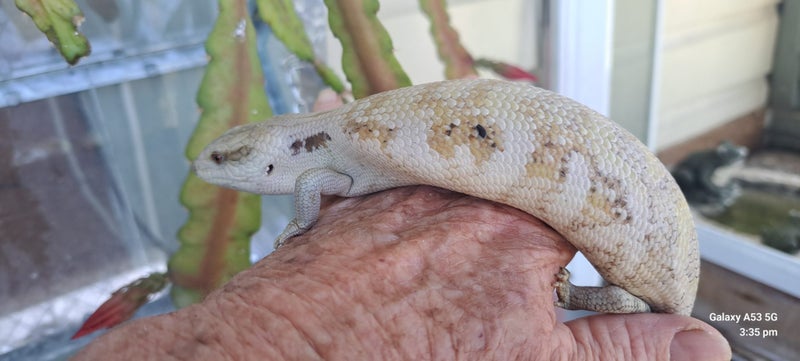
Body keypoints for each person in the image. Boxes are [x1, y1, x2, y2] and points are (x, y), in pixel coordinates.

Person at [72, 90, 731, 360]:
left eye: (224, 158)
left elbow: (311, 188)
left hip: (653, 280)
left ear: (268, 151)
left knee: (615, 299)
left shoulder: (313, 168)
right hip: (650, 246)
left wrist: (301, 238)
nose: (210, 168)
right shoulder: (324, 143)